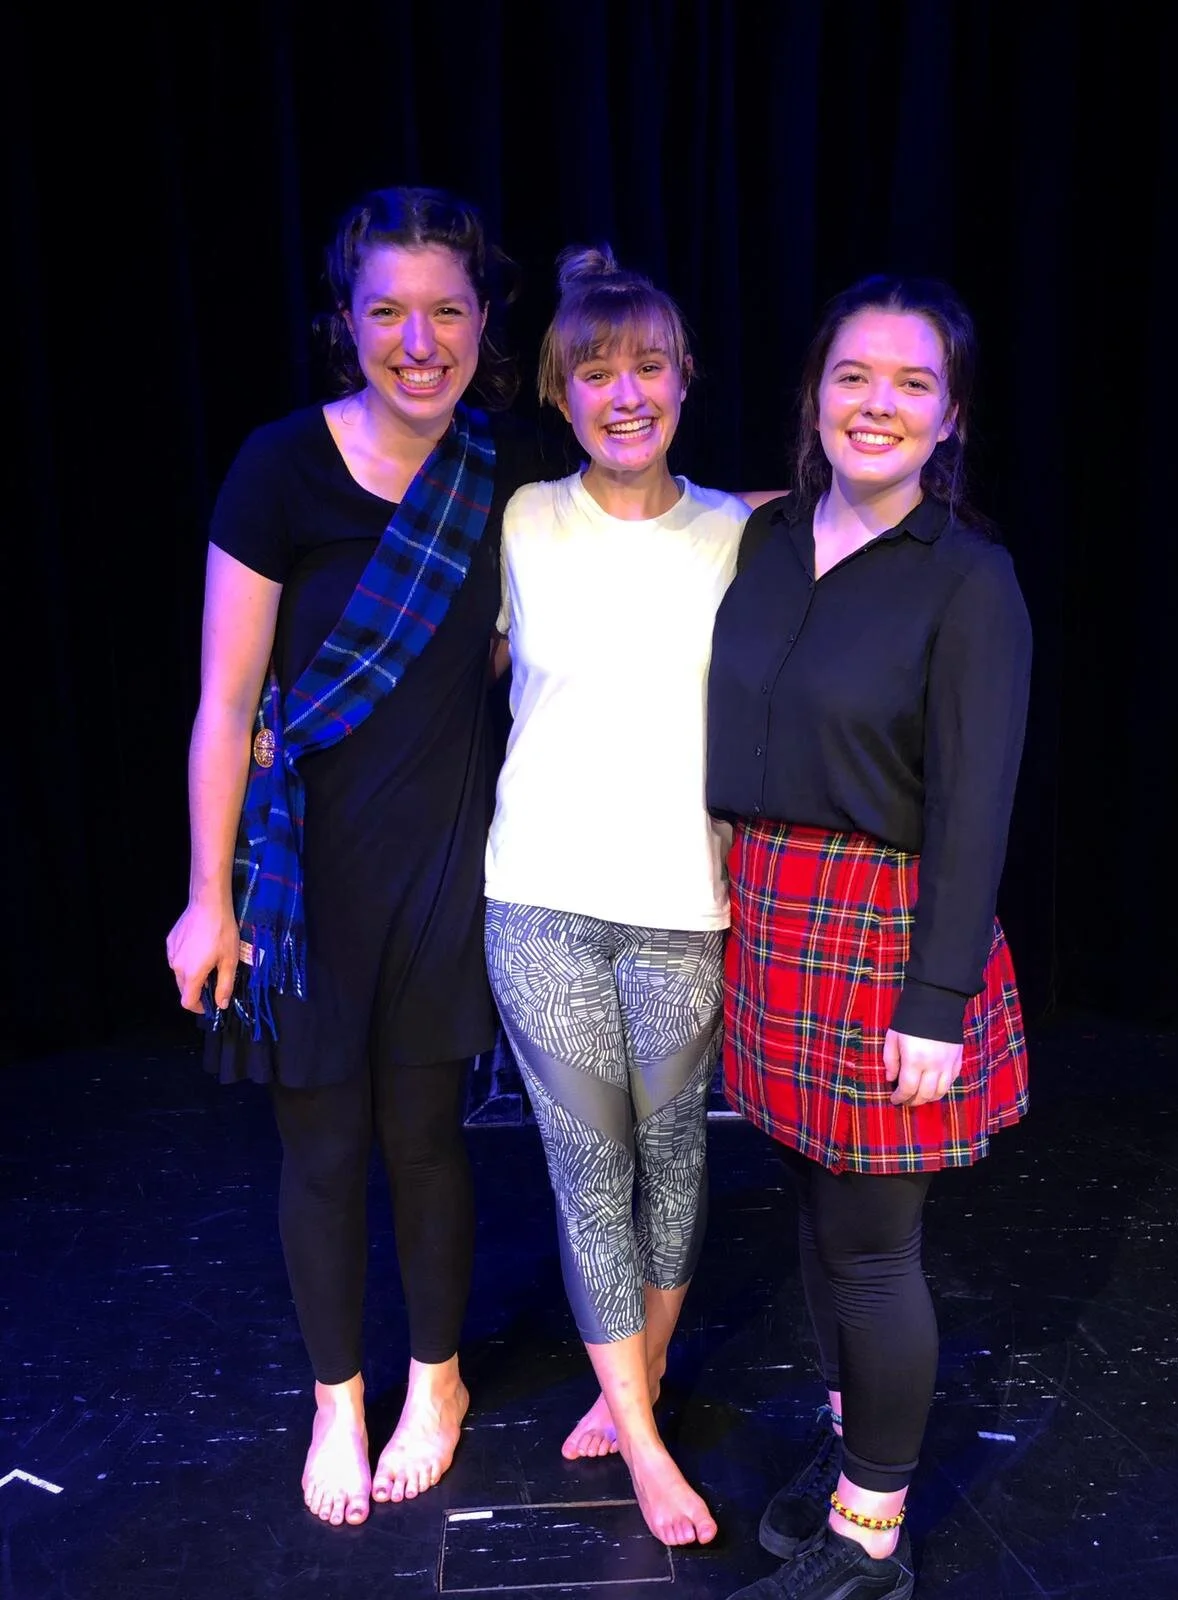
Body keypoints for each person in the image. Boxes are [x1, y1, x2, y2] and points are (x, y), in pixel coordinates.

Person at [164, 185, 549, 1528]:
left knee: (428, 1142)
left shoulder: (507, 467)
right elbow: (226, 703)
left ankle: (436, 1385)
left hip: (444, 865)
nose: (418, 341)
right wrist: (205, 900)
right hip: (304, 883)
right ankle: (338, 1400)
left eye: (446, 310)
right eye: (388, 311)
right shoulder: (278, 467)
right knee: (321, 1151)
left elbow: (657, 519)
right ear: (347, 319)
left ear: (485, 322)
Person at [706, 274, 1032, 1600]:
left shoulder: (969, 581)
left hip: (884, 930)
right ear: (815, 396)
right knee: (815, 1214)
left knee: (875, 1246)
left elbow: (976, 805)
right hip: (773, 916)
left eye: (911, 382)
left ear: (949, 417)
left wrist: (935, 1001)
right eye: (853, 376)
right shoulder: (767, 539)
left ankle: (872, 1538)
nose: (877, 404)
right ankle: (854, 1461)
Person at [482, 245, 762, 1547]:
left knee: (675, 1157)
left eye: (649, 366)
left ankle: (629, 1383)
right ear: (560, 392)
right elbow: (448, 670)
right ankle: (646, 1447)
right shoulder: (520, 522)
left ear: (686, 379)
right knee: (590, 1166)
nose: (626, 393)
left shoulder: (738, 534)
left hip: (681, 897)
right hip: (540, 892)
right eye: (596, 372)